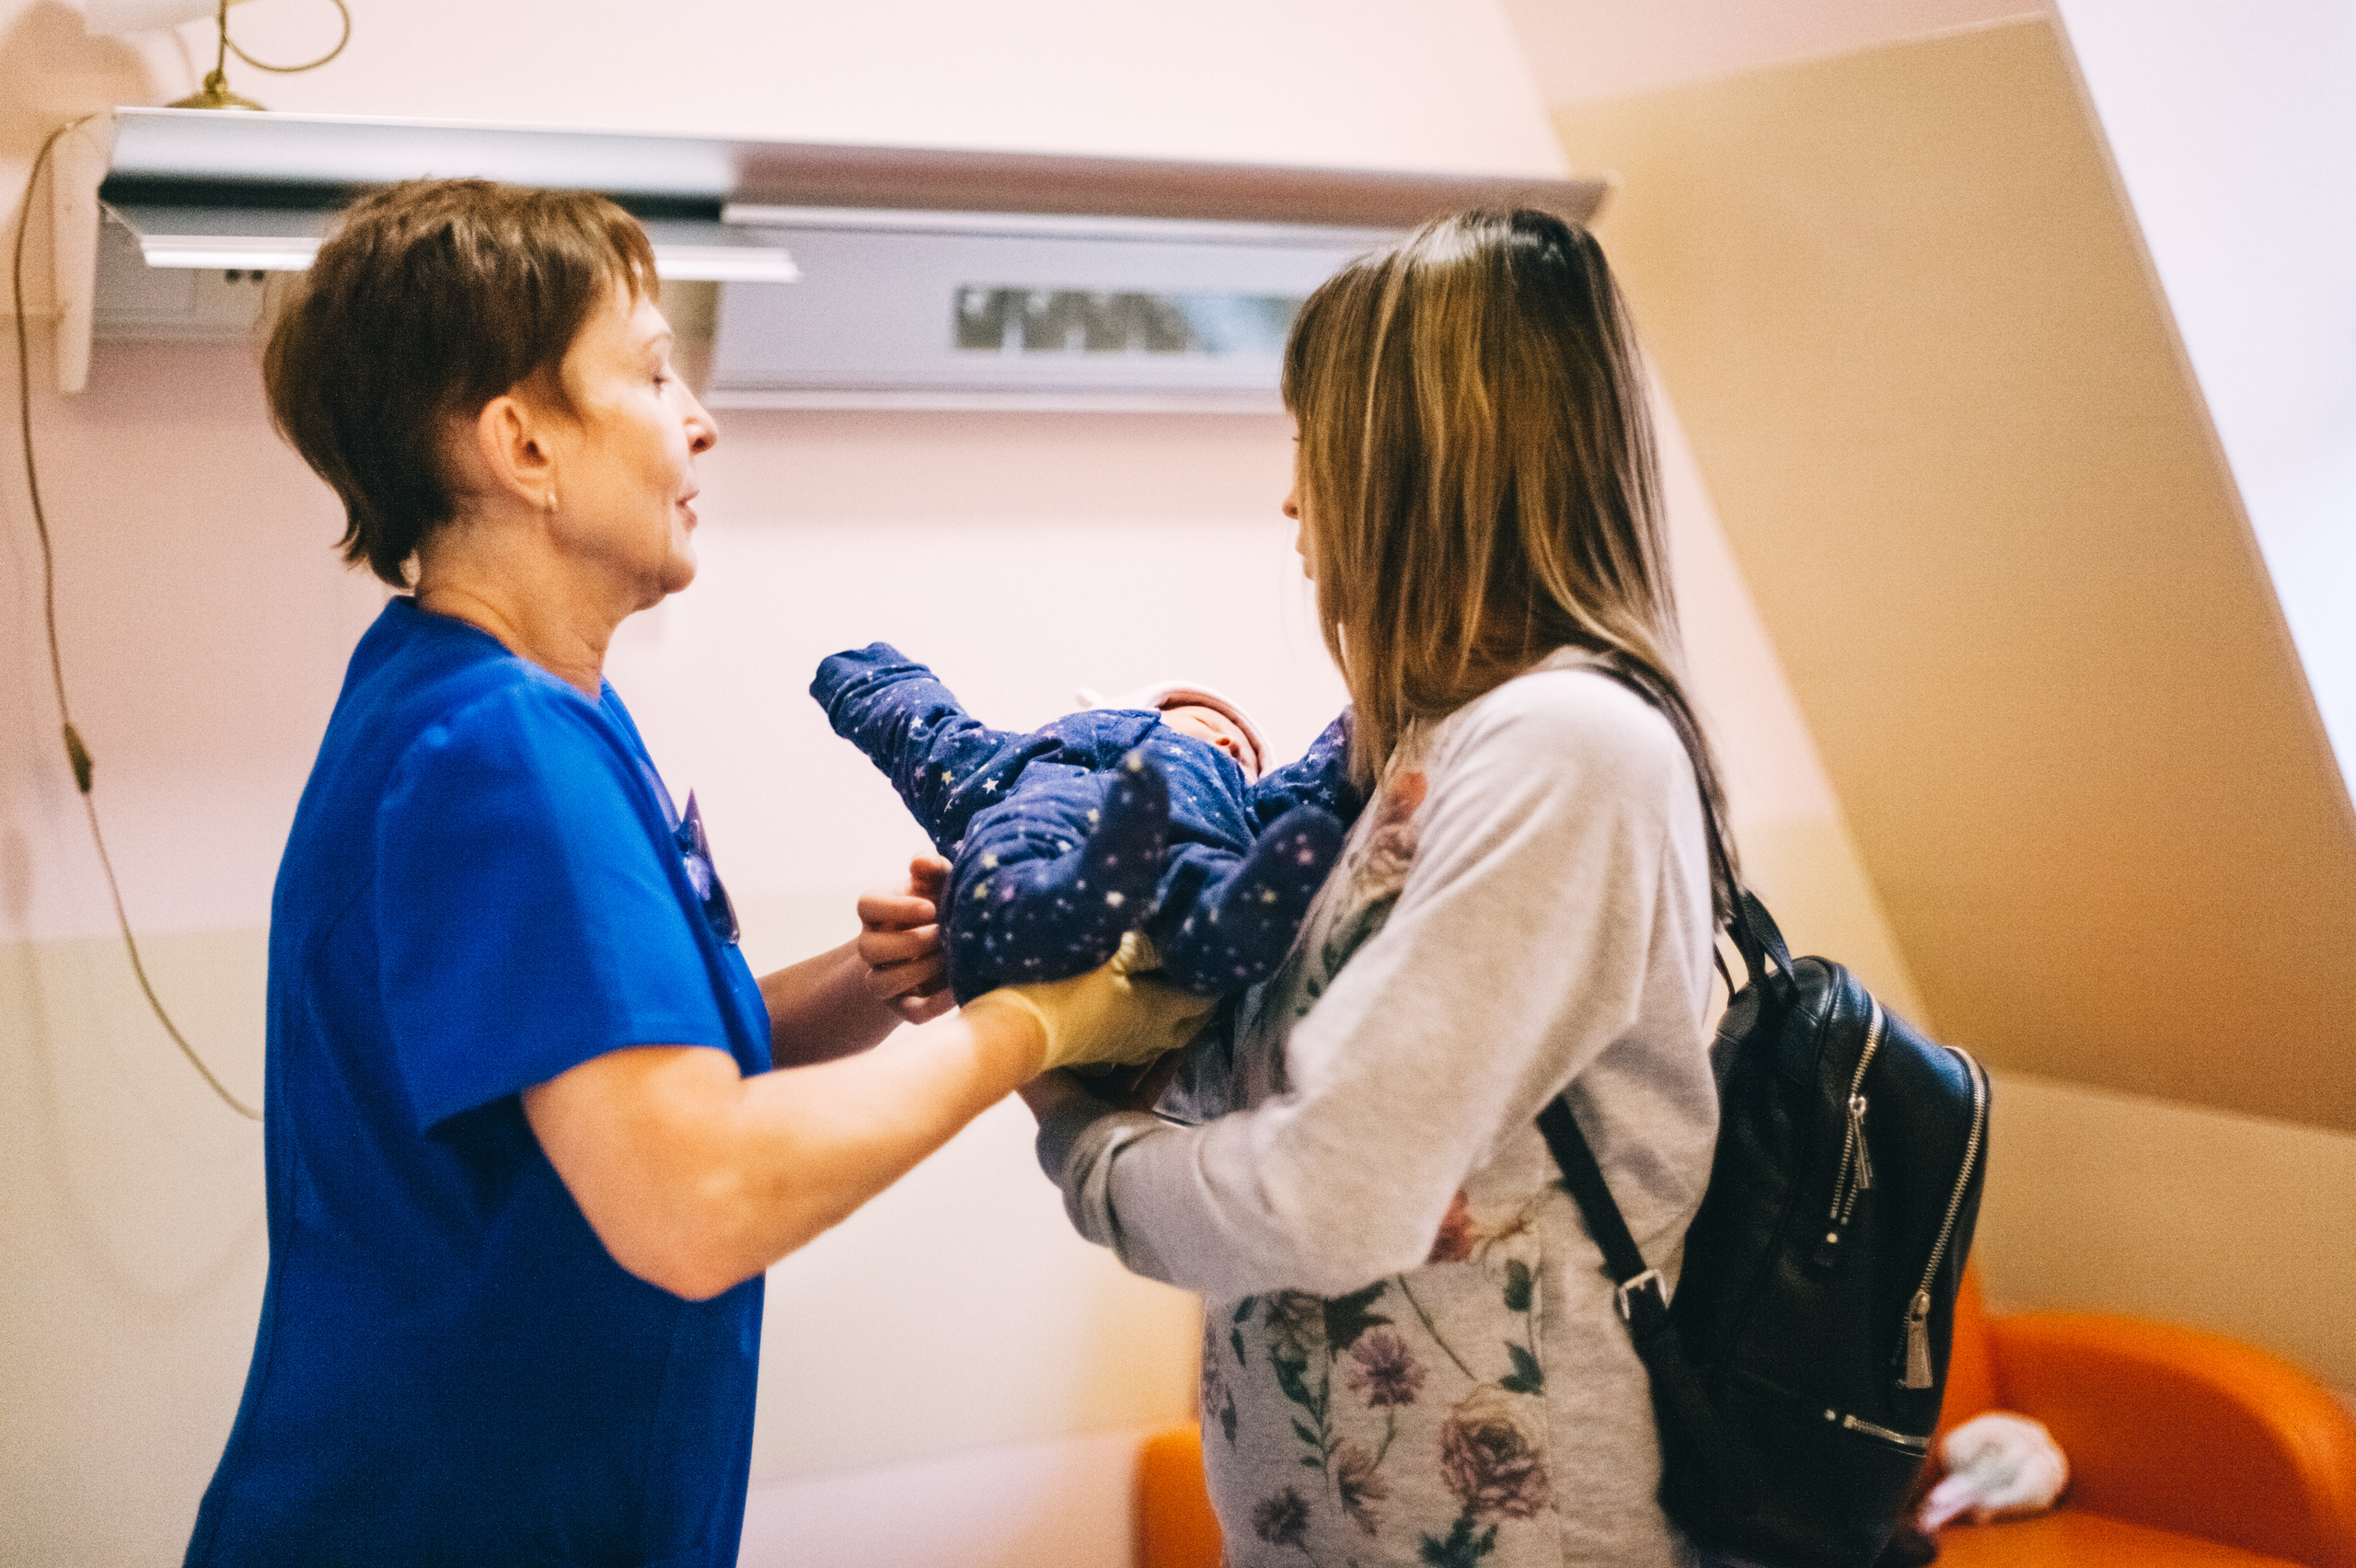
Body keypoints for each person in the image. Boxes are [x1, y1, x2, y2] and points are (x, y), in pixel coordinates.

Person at [185, 179, 1201, 1567]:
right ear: (524, 444)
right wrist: (1035, 1026)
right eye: (656, 374)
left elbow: (625, 1070)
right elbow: (696, 1197)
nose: (700, 420)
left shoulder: (496, 699)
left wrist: (882, 978)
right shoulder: (500, 751)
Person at [1022, 208, 1741, 1567]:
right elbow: (1281, 1088)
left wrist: (1074, 1133)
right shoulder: (1418, 745)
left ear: (1411, 464)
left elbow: (1327, 1195)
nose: (1293, 501)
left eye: (1312, 446)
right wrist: (1070, 985)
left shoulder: (1567, 750)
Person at [812, 642, 1361, 999]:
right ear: (1141, 710)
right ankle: (1061, 894)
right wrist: (876, 680)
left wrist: (1365, 721)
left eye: (1244, 756)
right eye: (1207, 722)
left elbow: (1318, 779)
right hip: (1044, 821)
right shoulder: (1042, 754)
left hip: (1182, 854)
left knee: (1202, 876)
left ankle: (1220, 929)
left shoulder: (1237, 803)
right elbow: (938, 739)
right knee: (1017, 844)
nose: (1228, 743)